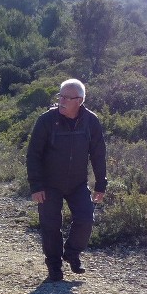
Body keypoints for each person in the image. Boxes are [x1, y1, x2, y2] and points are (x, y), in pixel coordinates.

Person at [26, 78, 107, 282]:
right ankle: (54, 266)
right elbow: (33, 154)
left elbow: (98, 154)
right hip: (49, 184)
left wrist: (100, 184)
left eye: (66, 98)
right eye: (59, 96)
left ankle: (71, 253)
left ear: (79, 100)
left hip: (77, 183)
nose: (61, 101)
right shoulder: (46, 120)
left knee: (86, 219)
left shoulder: (91, 121)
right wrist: (36, 186)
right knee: (50, 225)